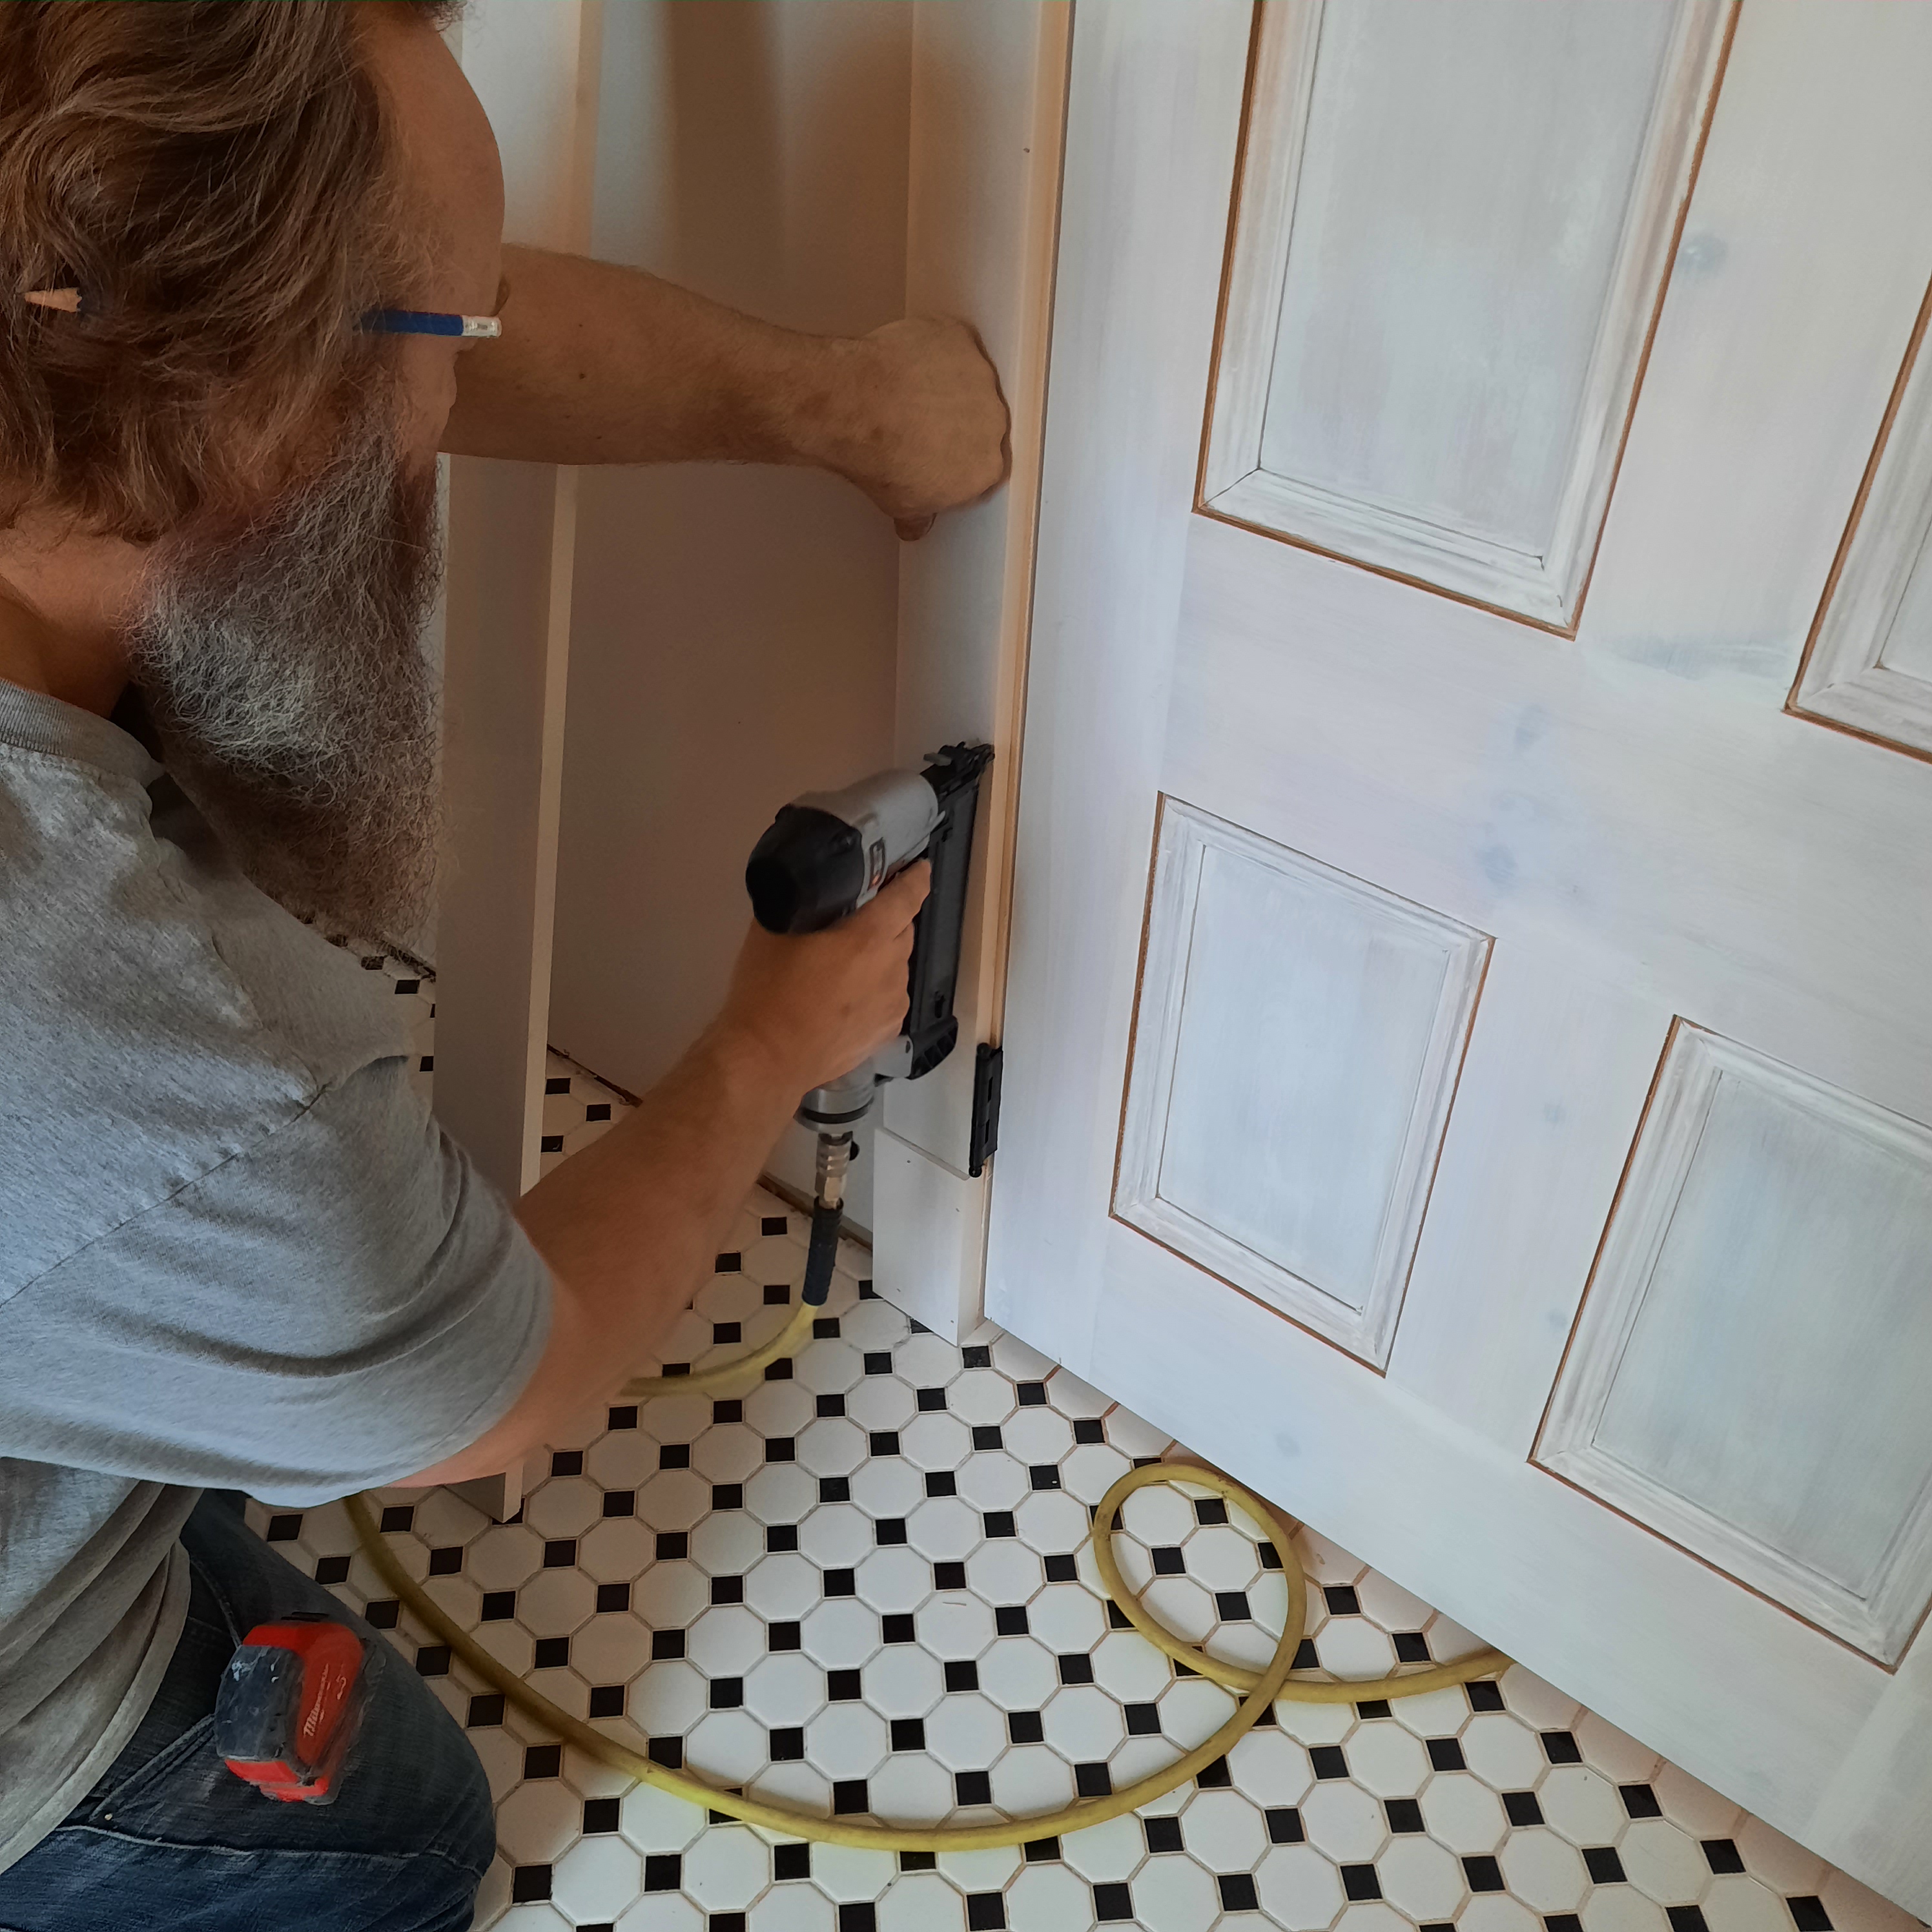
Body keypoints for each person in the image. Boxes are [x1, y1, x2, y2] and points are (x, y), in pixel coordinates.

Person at [0, 5, 1006, 1926]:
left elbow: (316, 334)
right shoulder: (177, 1055)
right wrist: (763, 1047)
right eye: (449, 347)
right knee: (399, 1829)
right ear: (243, 398)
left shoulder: (54, 313)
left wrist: (842, 406)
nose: (464, 393)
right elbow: (507, 1397)